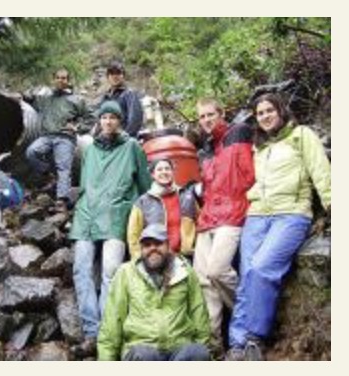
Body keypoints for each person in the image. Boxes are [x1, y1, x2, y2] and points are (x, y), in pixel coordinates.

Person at [226, 93, 331, 361]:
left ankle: (254, 337)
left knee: (262, 268)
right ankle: (236, 344)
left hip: (291, 214)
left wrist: (332, 205)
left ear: (281, 110)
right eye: (259, 113)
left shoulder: (301, 135)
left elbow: (321, 171)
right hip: (257, 214)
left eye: (269, 110)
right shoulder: (258, 147)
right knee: (247, 272)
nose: (265, 116)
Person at [69, 101, 152, 356]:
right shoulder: (90, 149)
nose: (108, 122)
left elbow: (145, 185)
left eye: (112, 118)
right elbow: (83, 182)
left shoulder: (131, 147)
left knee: (110, 272)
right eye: (104, 118)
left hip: (116, 216)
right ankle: (91, 332)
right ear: (99, 121)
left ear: (120, 121)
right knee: (81, 270)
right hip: (86, 217)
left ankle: (107, 329)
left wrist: (135, 212)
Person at [191, 98, 255, 354]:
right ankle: (214, 345)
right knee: (203, 281)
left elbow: (249, 175)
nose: (206, 120)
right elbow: (205, 188)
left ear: (222, 112)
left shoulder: (238, 133)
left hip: (233, 213)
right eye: (202, 117)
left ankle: (249, 317)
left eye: (210, 115)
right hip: (207, 219)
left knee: (217, 271)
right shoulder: (205, 150)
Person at [98, 224, 211, 361]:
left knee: (197, 352)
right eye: (147, 245)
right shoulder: (126, 273)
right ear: (141, 249)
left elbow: (199, 314)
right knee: (144, 355)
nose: (153, 249)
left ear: (168, 246)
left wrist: (204, 347)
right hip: (141, 349)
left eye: (158, 243)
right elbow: (112, 321)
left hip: (178, 351)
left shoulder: (185, 271)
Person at [22, 68, 91, 211]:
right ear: (54, 79)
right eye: (58, 77)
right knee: (31, 152)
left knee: (63, 167)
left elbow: (91, 118)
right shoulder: (46, 99)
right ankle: (48, 175)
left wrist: (77, 128)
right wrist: (26, 93)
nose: (61, 80)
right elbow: (28, 99)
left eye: (64, 78)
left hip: (65, 138)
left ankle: (61, 200)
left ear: (68, 80)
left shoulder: (76, 100)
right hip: (46, 136)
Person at [126, 159, 198, 259]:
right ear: (153, 175)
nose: (164, 172)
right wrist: (138, 258)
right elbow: (133, 234)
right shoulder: (142, 202)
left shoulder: (187, 196)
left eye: (167, 169)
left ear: (173, 172)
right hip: (156, 259)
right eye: (159, 169)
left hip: (185, 257)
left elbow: (200, 222)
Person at [96, 62, 144, 138]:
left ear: (123, 76)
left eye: (118, 73)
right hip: (108, 137)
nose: (115, 76)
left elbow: (135, 120)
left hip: (124, 137)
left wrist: (125, 137)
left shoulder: (129, 94)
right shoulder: (105, 97)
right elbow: (99, 119)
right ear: (108, 76)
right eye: (112, 73)